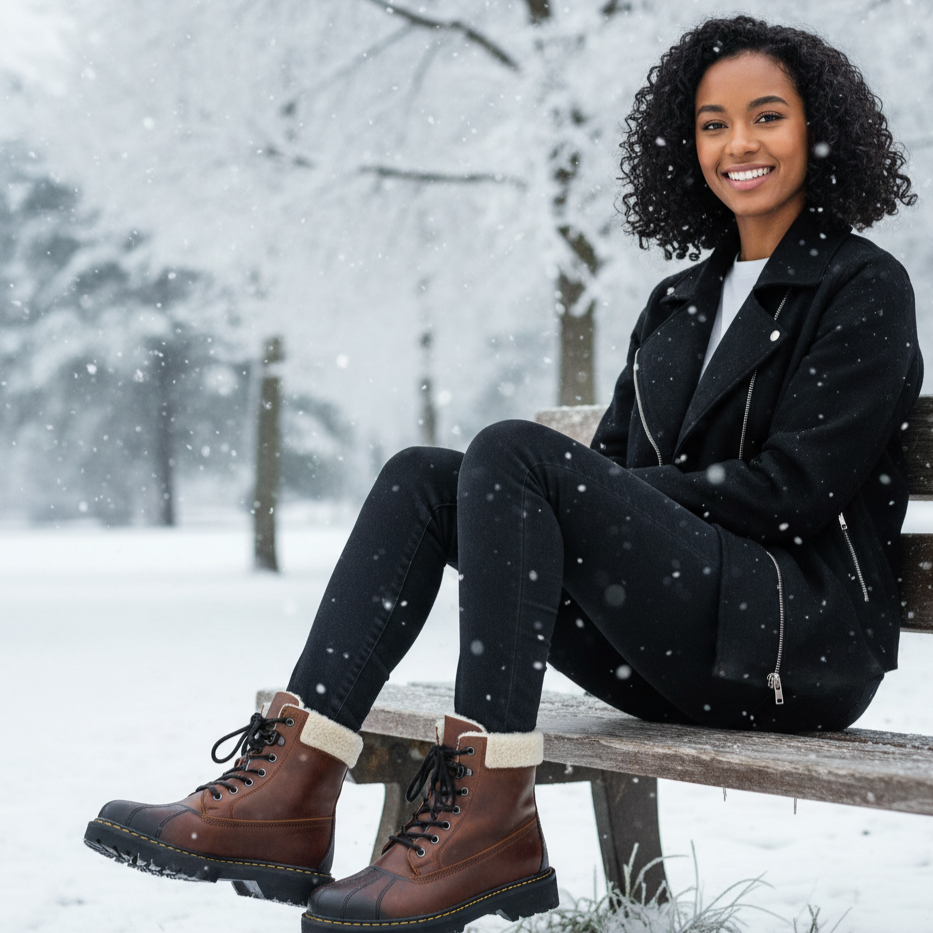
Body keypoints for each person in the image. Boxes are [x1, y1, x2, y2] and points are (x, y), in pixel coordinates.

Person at [84, 14, 921, 933]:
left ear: (817, 128)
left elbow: (794, 490)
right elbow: (609, 475)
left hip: (792, 645)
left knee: (513, 453)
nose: (738, 144)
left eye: (766, 116)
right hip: (673, 641)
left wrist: (590, 494)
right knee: (420, 476)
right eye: (712, 124)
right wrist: (592, 495)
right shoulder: (676, 303)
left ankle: (487, 821)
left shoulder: (860, 286)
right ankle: (290, 787)